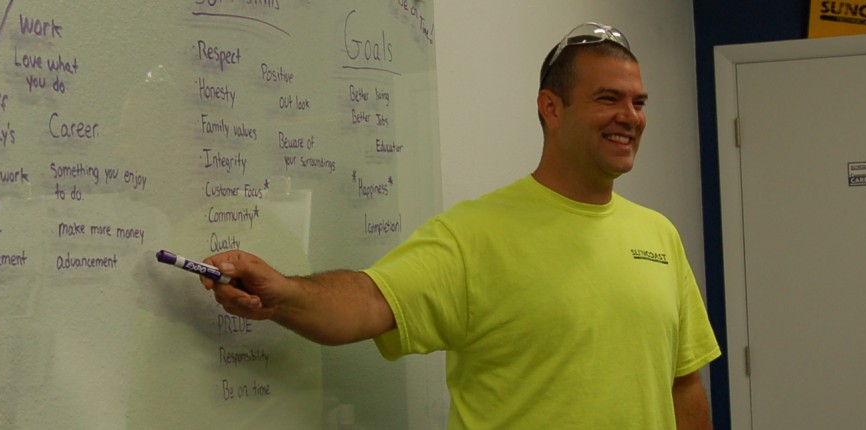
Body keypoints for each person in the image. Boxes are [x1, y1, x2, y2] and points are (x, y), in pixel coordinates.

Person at [199, 22, 721, 429]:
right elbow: (369, 302)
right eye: (608, 99)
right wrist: (283, 294)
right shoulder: (474, 234)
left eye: (638, 102)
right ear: (551, 107)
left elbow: (683, 385)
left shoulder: (659, 236)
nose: (630, 116)